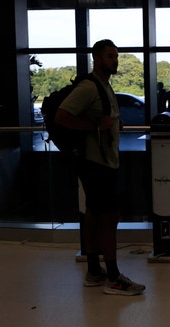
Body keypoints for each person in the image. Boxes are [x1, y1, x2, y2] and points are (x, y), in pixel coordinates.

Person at [55, 39, 145, 296]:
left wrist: (115, 123)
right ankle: (114, 277)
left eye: (116, 56)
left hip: (102, 162)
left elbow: (103, 117)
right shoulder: (88, 87)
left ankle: (94, 271)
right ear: (97, 59)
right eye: (109, 56)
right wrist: (95, 127)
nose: (114, 60)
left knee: (94, 216)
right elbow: (62, 117)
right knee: (109, 218)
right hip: (96, 164)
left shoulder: (105, 86)